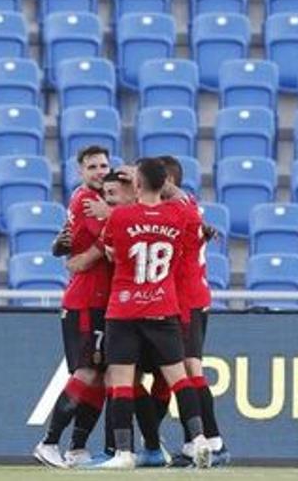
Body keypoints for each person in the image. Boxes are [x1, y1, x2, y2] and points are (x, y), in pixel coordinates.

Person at [93, 158, 213, 470]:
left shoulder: (120, 216)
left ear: (136, 184)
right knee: (179, 377)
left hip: (125, 307)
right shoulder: (179, 213)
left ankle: (123, 453)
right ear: (165, 183)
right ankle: (198, 439)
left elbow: (111, 252)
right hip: (163, 306)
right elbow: (191, 236)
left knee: (120, 379)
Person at [33, 145, 113, 469]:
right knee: (86, 372)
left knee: (99, 375)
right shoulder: (86, 200)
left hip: (101, 301)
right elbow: (110, 240)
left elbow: (71, 243)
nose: (99, 171)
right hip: (84, 300)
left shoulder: (104, 203)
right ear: (80, 171)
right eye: (92, 166)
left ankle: (77, 447)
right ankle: (48, 441)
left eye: (104, 165)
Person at [157, 155, 227, 466]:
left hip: (185, 298)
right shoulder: (190, 206)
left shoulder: (177, 209)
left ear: (168, 182)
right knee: (184, 371)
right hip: (193, 295)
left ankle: (210, 442)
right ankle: (201, 442)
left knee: (189, 370)